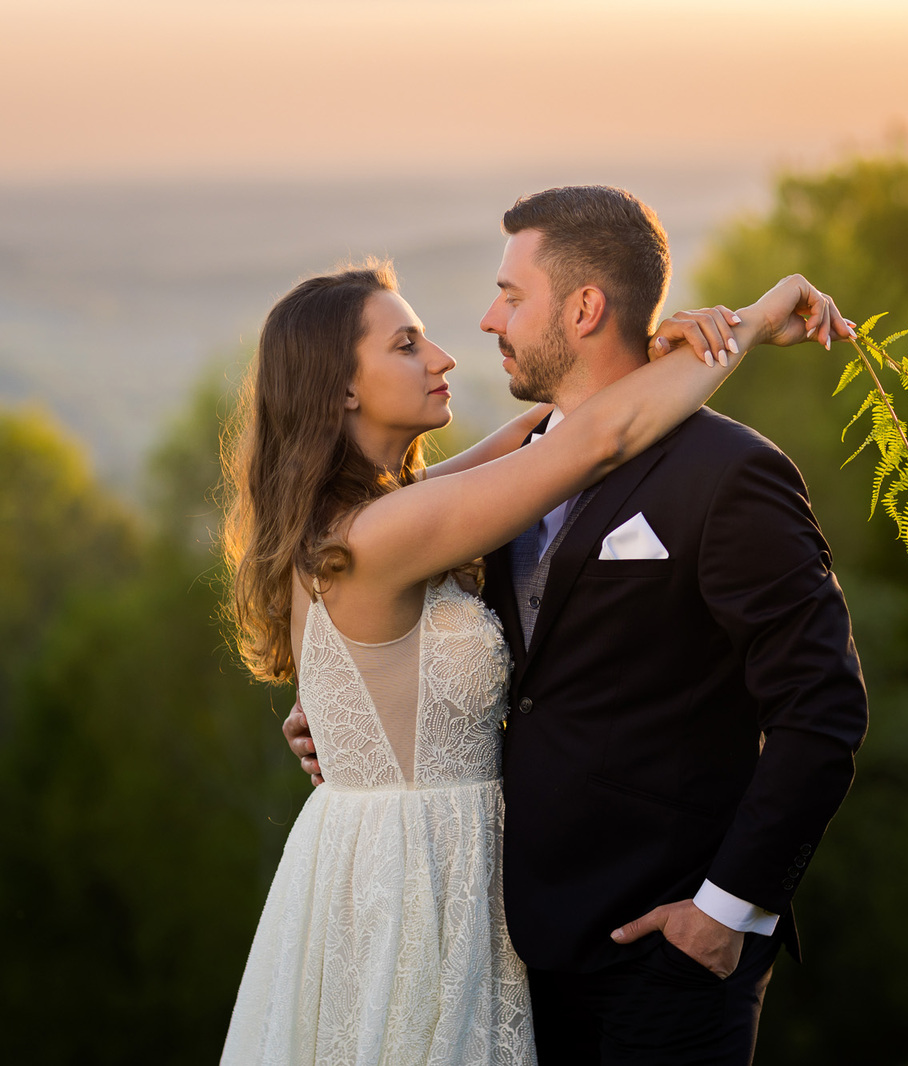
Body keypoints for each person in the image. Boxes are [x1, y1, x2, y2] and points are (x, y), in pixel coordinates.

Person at [279, 186, 869, 1064]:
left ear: (586, 307)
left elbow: (821, 708)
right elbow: (585, 457)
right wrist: (352, 714)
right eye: (409, 341)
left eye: (511, 296)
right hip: (496, 939)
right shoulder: (493, 488)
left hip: (664, 951)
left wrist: (726, 911)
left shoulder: (725, 472)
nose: (483, 322)